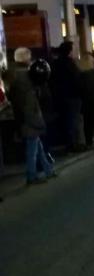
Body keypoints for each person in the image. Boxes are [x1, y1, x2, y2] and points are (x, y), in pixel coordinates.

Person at [7, 48, 56, 185]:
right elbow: (29, 106)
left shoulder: (15, 77)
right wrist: (38, 122)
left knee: (37, 147)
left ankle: (47, 169)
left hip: (24, 119)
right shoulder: (27, 81)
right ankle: (32, 175)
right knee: (32, 150)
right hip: (30, 121)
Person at [50, 40, 84, 152]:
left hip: (61, 96)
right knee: (74, 119)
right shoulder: (70, 64)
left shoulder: (55, 63)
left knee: (67, 119)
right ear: (70, 51)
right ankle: (75, 143)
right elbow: (76, 80)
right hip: (73, 95)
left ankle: (70, 143)